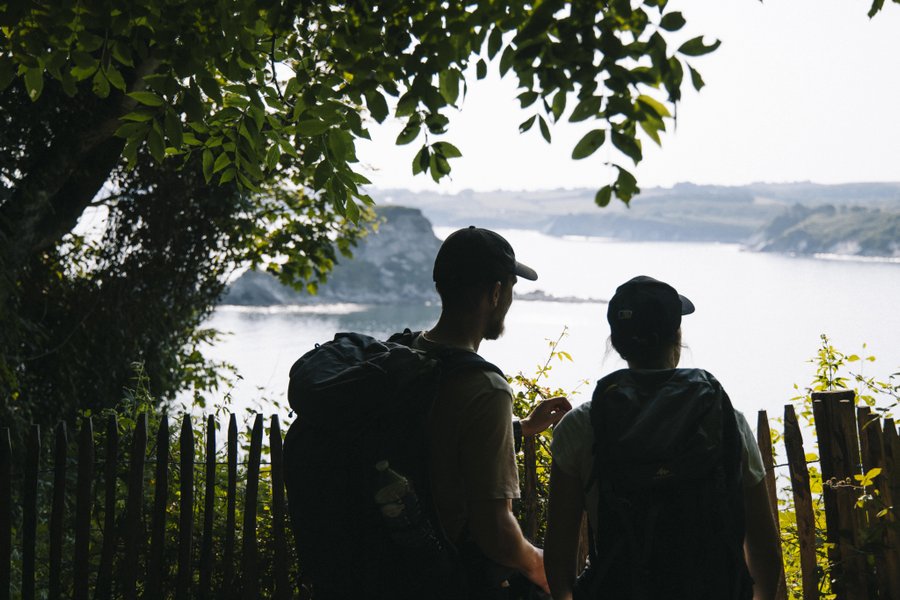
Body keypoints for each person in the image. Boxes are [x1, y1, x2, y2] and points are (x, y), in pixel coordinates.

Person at [544, 275, 783, 600]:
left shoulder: (580, 426)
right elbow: (764, 547)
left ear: (615, 341)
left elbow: (559, 559)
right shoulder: (726, 419)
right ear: (677, 337)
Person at [410, 226, 571, 598]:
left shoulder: (410, 353)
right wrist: (541, 566)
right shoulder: (485, 389)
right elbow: (495, 531)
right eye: (511, 290)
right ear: (496, 293)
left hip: (399, 566)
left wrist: (521, 428)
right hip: (447, 579)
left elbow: (434, 437)